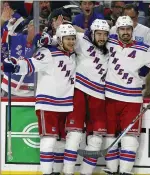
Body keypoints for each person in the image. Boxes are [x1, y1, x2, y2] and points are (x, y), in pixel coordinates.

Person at [3, 24, 77, 175]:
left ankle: (56, 172)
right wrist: (16, 65)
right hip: (48, 104)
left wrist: (48, 38)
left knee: (61, 143)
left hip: (66, 105)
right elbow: (31, 64)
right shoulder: (48, 53)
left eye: (73, 39)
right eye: (68, 39)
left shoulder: (73, 54)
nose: (71, 42)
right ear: (61, 40)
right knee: (49, 141)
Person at [103, 16, 150, 175]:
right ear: (117, 30)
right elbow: (85, 38)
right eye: (123, 29)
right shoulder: (109, 42)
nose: (126, 32)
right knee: (109, 136)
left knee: (130, 138)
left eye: (128, 29)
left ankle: (126, 172)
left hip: (132, 99)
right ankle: (112, 170)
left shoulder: (143, 49)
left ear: (132, 30)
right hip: (110, 97)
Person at [62, 19, 110, 175]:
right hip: (79, 91)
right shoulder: (81, 41)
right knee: (74, 135)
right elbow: (64, 38)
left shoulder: (112, 46)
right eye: (99, 34)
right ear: (92, 33)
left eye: (105, 34)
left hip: (99, 96)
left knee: (96, 139)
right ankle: (67, 172)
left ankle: (85, 173)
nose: (102, 37)